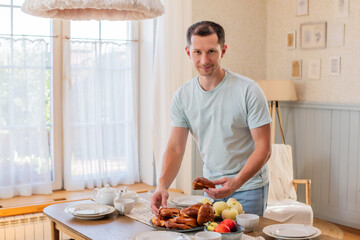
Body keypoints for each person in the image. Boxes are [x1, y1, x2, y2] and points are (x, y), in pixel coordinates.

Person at [151, 20, 272, 216]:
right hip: (210, 190)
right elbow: (176, 147)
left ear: (223, 51)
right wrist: (162, 185)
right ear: (188, 52)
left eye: (211, 51)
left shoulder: (248, 90)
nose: (204, 60)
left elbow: (264, 148)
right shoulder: (182, 96)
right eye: (197, 52)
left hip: (248, 189)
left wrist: (237, 182)